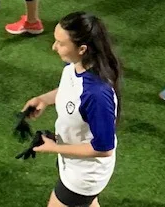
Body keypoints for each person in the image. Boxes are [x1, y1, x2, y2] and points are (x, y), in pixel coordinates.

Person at [21, 11, 122, 207]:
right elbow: (71, 90)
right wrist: (44, 99)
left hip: (85, 175)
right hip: (72, 160)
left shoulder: (97, 95)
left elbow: (104, 149)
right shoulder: (74, 66)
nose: (54, 47)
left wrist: (54, 148)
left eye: (61, 43)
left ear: (82, 49)